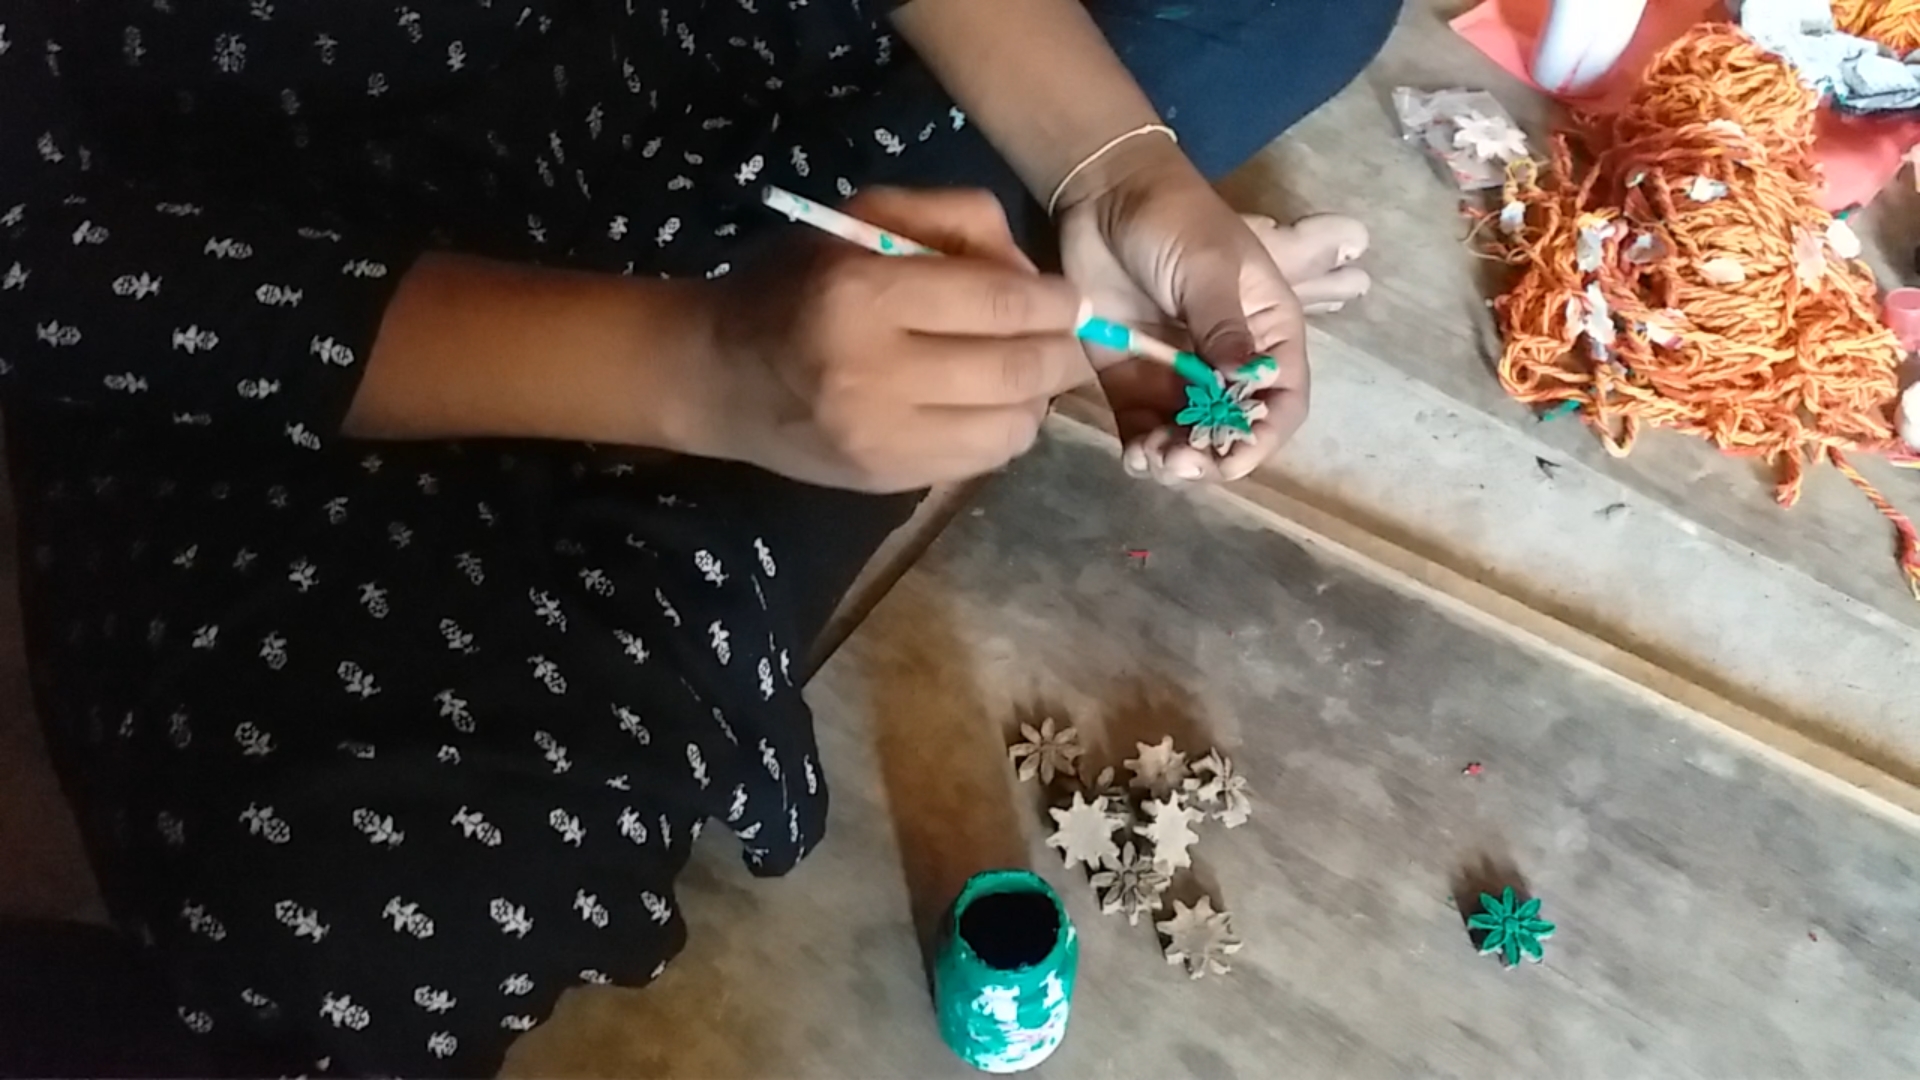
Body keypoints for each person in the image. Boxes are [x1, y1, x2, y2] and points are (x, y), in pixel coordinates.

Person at [0, 0, 1397, 1073]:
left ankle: (846, 410)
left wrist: (1112, 166)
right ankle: (793, 466)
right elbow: (49, 265)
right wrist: (704, 374)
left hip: (680, 73)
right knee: (390, 896)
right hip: (262, 283)